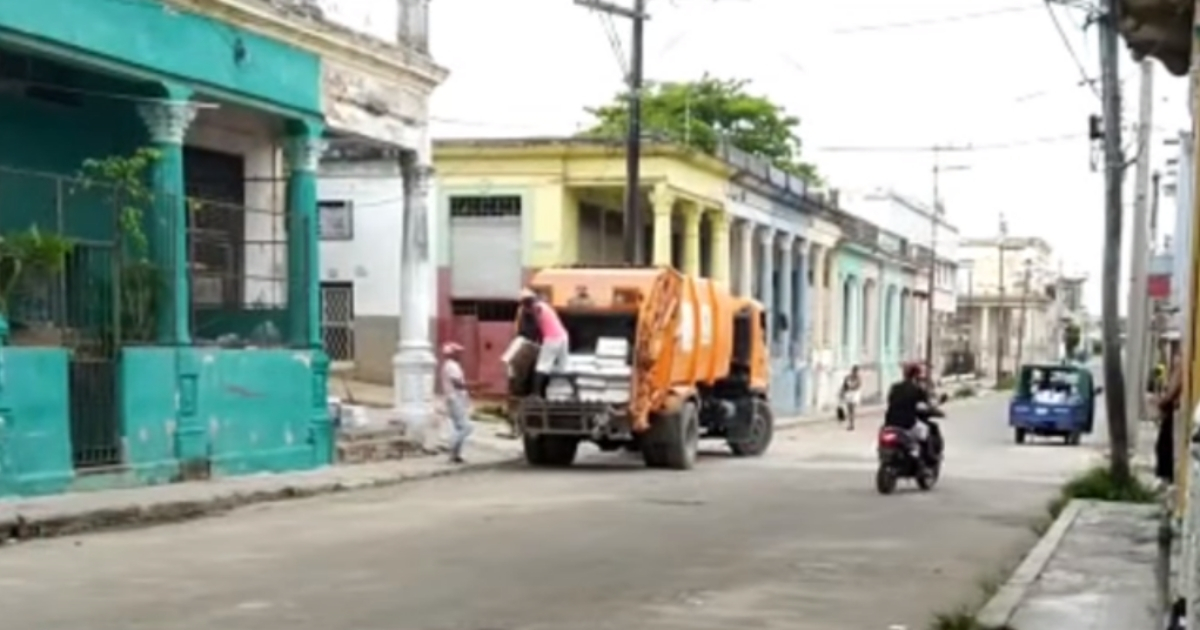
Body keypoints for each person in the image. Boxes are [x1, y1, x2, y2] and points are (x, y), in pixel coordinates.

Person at [884, 362, 941, 463]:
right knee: (926, 432)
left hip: (890, 422)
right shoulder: (916, 389)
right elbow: (927, 404)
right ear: (915, 375)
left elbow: (890, 400)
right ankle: (929, 458)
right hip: (908, 423)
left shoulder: (895, 387)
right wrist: (935, 410)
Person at [520, 288, 570, 396]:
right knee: (563, 366)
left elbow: (535, 327)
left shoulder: (536, 308)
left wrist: (532, 339)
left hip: (552, 338)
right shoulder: (544, 306)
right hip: (563, 336)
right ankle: (563, 392)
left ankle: (535, 394)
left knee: (542, 366)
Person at [440, 342, 474, 464]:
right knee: (467, 427)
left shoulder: (449, 365)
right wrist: (475, 386)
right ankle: (452, 449)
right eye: (457, 352)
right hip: (455, 399)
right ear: (452, 354)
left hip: (454, 399)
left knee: (459, 427)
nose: (460, 355)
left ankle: (456, 455)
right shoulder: (451, 366)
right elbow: (458, 384)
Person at [1155, 350, 1183, 484]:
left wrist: (1163, 401)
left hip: (1175, 408)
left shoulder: (1182, 360)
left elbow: (1174, 385)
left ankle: (1166, 478)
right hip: (1175, 407)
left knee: (1165, 444)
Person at [839, 365, 862, 430]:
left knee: (852, 409)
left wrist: (851, 387)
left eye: (856, 371)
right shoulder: (847, 377)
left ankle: (851, 424)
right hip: (849, 394)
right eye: (854, 371)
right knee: (849, 409)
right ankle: (851, 423)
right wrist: (842, 392)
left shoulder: (858, 378)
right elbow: (844, 385)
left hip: (854, 395)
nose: (855, 372)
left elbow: (858, 386)